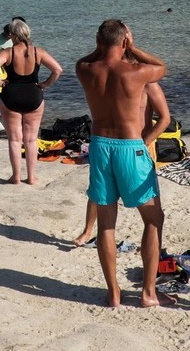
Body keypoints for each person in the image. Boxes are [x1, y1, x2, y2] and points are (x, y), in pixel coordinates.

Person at [75, 19, 171, 308]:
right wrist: (133, 46)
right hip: (131, 147)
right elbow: (162, 66)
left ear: (97, 41)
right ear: (125, 43)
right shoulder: (137, 72)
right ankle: (148, 293)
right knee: (154, 219)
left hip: (100, 146)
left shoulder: (85, 70)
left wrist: (100, 47)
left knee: (106, 224)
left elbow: (85, 58)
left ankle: (114, 293)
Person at [73, 80, 170, 247]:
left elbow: (164, 118)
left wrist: (146, 141)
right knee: (98, 194)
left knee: (151, 211)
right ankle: (88, 230)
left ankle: (154, 249)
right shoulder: (112, 81)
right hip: (112, 147)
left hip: (138, 148)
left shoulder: (147, 84)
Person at [0, 19, 63, 185]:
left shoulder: (8, 53)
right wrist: (45, 85)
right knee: (31, 140)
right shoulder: (38, 52)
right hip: (34, 96)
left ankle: (16, 177)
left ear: (13, 35)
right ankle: (32, 177)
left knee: (14, 139)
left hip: (11, 96)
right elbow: (57, 70)